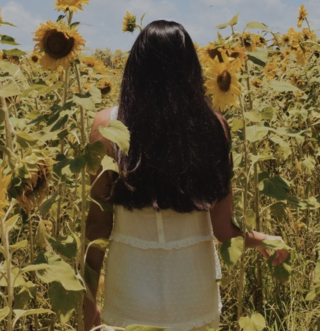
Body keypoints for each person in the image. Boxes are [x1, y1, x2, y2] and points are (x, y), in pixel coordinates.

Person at [83, 20, 288, 331]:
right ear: (190, 70)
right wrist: (262, 239)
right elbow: (223, 230)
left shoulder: (107, 125)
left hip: (130, 295)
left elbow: (96, 228)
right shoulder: (212, 127)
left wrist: (87, 307)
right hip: (193, 296)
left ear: (135, 68)